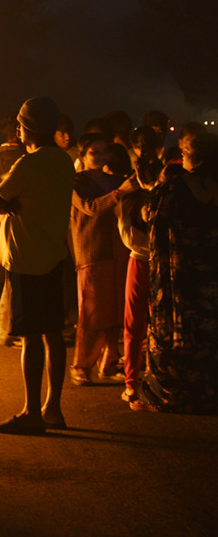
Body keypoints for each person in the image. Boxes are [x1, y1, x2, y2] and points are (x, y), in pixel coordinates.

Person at [0, 97, 76, 435]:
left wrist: (14, 203)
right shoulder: (63, 161)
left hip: (26, 259)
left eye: (21, 125)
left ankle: (30, 412)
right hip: (54, 255)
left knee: (31, 338)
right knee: (53, 334)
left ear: (28, 128)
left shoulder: (28, 164)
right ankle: (52, 408)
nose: (18, 130)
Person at [133, 133, 218, 413]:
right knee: (208, 332)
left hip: (179, 275)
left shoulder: (174, 186)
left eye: (187, 150)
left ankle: (167, 393)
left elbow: (149, 215)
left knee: (173, 329)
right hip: (210, 273)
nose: (182, 154)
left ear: (200, 157)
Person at [68, 134, 137, 386]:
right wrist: (121, 192)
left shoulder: (112, 179)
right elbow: (90, 207)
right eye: (93, 152)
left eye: (103, 151)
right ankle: (81, 365)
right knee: (92, 312)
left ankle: (108, 363)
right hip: (91, 252)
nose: (99, 156)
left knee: (114, 310)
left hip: (117, 249)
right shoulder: (76, 181)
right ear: (82, 155)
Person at [118, 154, 162, 402]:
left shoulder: (129, 201)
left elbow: (126, 237)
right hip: (161, 264)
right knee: (157, 324)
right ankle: (155, 379)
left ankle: (132, 384)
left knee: (133, 326)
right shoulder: (168, 198)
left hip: (138, 261)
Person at [0, 116, 26, 345]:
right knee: (19, 273)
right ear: (18, 133)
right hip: (18, 220)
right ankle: (16, 328)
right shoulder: (24, 157)